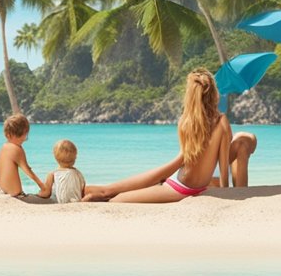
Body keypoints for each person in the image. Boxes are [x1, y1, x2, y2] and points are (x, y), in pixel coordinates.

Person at [82, 68, 231, 203]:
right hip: (182, 184)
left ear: (190, 95)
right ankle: (97, 192)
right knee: (115, 196)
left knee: (116, 198)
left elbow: (183, 160)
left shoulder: (185, 122)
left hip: (179, 185)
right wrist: (226, 192)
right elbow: (224, 168)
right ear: (213, 93)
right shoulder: (222, 121)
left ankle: (95, 192)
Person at [0, 114, 45, 198]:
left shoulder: (4, 146)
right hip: (15, 195)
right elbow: (27, 171)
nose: (24, 139)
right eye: (23, 136)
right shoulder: (17, 149)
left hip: (0, 190)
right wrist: (42, 186)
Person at [36, 139, 86, 203]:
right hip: (77, 202)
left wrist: (38, 194)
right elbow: (82, 193)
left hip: (61, 202)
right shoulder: (79, 174)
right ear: (75, 158)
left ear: (56, 158)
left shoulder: (53, 174)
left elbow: (46, 194)